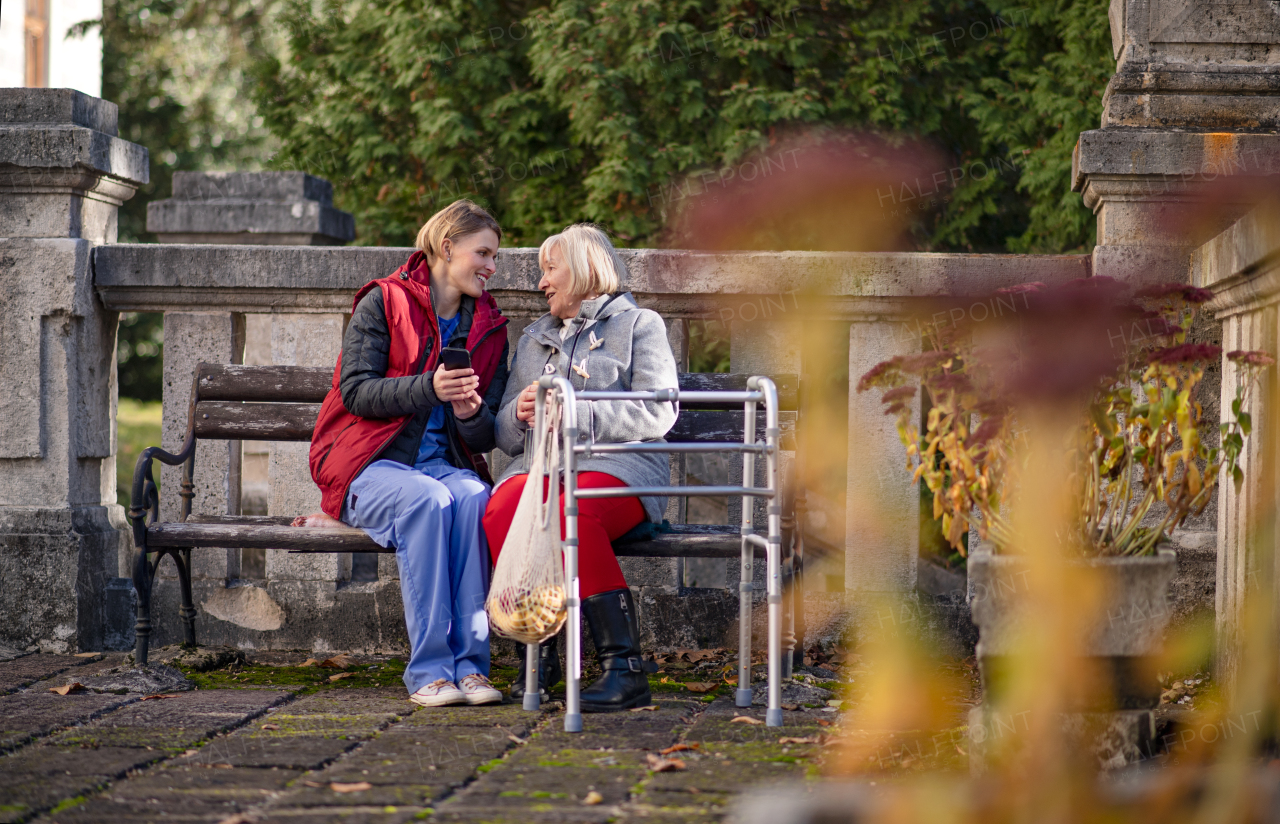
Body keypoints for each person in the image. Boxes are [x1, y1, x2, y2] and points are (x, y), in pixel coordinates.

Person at [304, 199, 510, 708]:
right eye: (482, 253)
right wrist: (430, 388)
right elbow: (356, 392)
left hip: (444, 469)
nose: (491, 267)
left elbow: (484, 436)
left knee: (472, 497)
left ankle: (472, 668)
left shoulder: (489, 328)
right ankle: (430, 672)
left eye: (494, 257)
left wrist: (467, 411)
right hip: (367, 466)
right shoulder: (382, 301)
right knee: (427, 500)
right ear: (446, 247)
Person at [483, 223, 678, 712]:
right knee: (499, 511)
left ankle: (624, 669)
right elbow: (503, 435)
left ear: (586, 268)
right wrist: (520, 413)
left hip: (619, 467)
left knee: (575, 511)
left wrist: (578, 412)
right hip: (540, 466)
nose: (542, 282)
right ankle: (540, 658)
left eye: (551, 269)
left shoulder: (640, 325)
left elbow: (659, 410)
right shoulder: (532, 338)